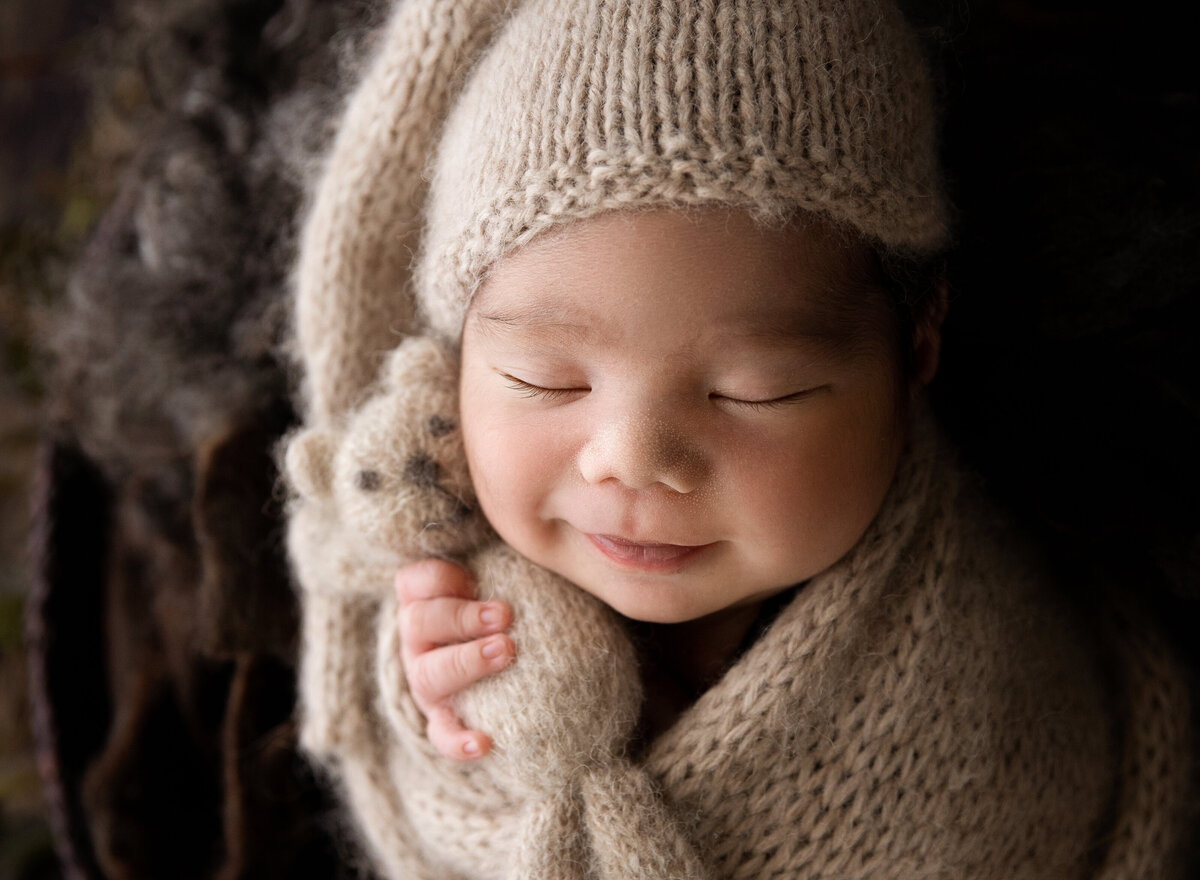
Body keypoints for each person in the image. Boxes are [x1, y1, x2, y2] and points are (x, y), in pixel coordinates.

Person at [284, 0, 1194, 877]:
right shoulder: (467, 570)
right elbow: (436, 797)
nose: (634, 458)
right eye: (544, 380)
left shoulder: (989, 674)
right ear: (455, 365)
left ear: (916, 350)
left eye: (756, 392)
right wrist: (440, 697)